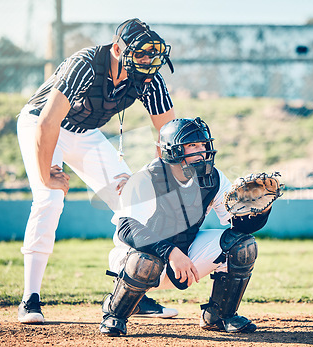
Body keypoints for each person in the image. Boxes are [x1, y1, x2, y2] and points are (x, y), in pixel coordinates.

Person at [16, 18, 177, 324]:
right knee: (49, 199)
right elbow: (47, 123)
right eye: (139, 54)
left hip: (85, 133)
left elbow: (168, 134)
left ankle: (130, 291)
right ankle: (30, 298)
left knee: (137, 201)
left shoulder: (149, 79)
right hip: (41, 124)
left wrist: (152, 177)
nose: (146, 61)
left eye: (151, 54)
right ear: (118, 49)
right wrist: (46, 176)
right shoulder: (85, 65)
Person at [99, 117, 272, 337]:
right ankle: (115, 314)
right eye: (192, 145)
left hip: (185, 259)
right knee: (145, 260)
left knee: (242, 245)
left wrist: (259, 211)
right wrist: (171, 252)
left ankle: (219, 315)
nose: (201, 152)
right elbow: (127, 229)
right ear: (172, 150)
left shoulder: (213, 178)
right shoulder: (148, 178)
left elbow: (238, 226)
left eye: (203, 145)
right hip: (134, 263)